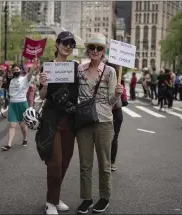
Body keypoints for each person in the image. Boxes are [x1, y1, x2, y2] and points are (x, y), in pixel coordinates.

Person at [76, 33, 123, 214]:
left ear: (104, 51)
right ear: (88, 49)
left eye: (99, 48)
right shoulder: (80, 69)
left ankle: (104, 198)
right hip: (84, 122)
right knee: (85, 163)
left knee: (104, 163)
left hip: (104, 121)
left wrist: (118, 93)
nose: (95, 51)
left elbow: (111, 102)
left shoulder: (110, 71)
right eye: (92, 47)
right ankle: (86, 199)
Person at [37, 31, 79, 214]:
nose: (68, 46)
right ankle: (50, 203)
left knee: (65, 162)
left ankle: (53, 198)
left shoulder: (75, 67)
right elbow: (42, 95)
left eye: (71, 43)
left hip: (70, 120)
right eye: (64, 42)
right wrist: (44, 85)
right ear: (57, 44)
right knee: (54, 162)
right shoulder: (47, 67)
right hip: (51, 120)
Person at [1, 63, 37, 151]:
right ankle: (8, 145)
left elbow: (31, 72)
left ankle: (25, 138)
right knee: (12, 124)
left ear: (20, 70)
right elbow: (7, 91)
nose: (16, 71)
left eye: (17, 70)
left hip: (22, 103)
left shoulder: (25, 79)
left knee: (22, 125)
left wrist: (34, 65)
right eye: (14, 70)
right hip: (13, 104)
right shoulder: (11, 80)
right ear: (12, 72)